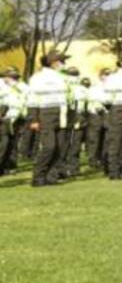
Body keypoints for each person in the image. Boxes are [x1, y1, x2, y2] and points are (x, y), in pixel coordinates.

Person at [26, 51, 71, 187]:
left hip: (62, 113)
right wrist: (34, 119)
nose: (64, 64)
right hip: (45, 113)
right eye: (62, 61)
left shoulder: (62, 77)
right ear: (54, 62)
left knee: (60, 147)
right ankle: (38, 177)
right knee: (49, 147)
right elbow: (32, 100)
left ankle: (52, 177)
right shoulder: (38, 78)